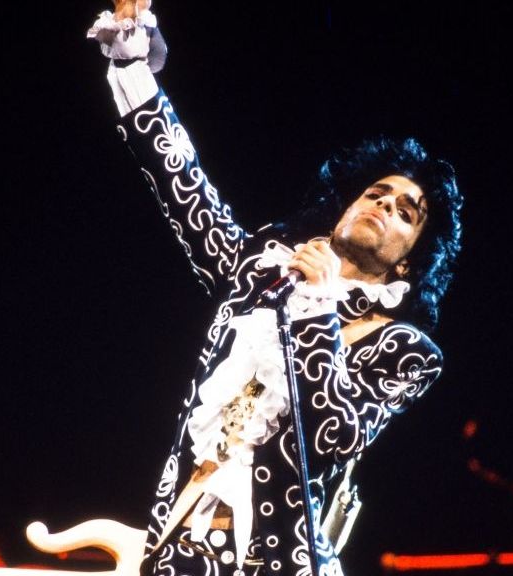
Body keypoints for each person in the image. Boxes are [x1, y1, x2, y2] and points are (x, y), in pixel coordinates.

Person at [88, 4, 463, 575]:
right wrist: (134, 63)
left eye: (406, 212)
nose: (383, 204)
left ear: (410, 265)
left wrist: (316, 305)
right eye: (375, 193)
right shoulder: (259, 273)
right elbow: (182, 185)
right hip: (175, 552)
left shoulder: (407, 351)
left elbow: (333, 431)